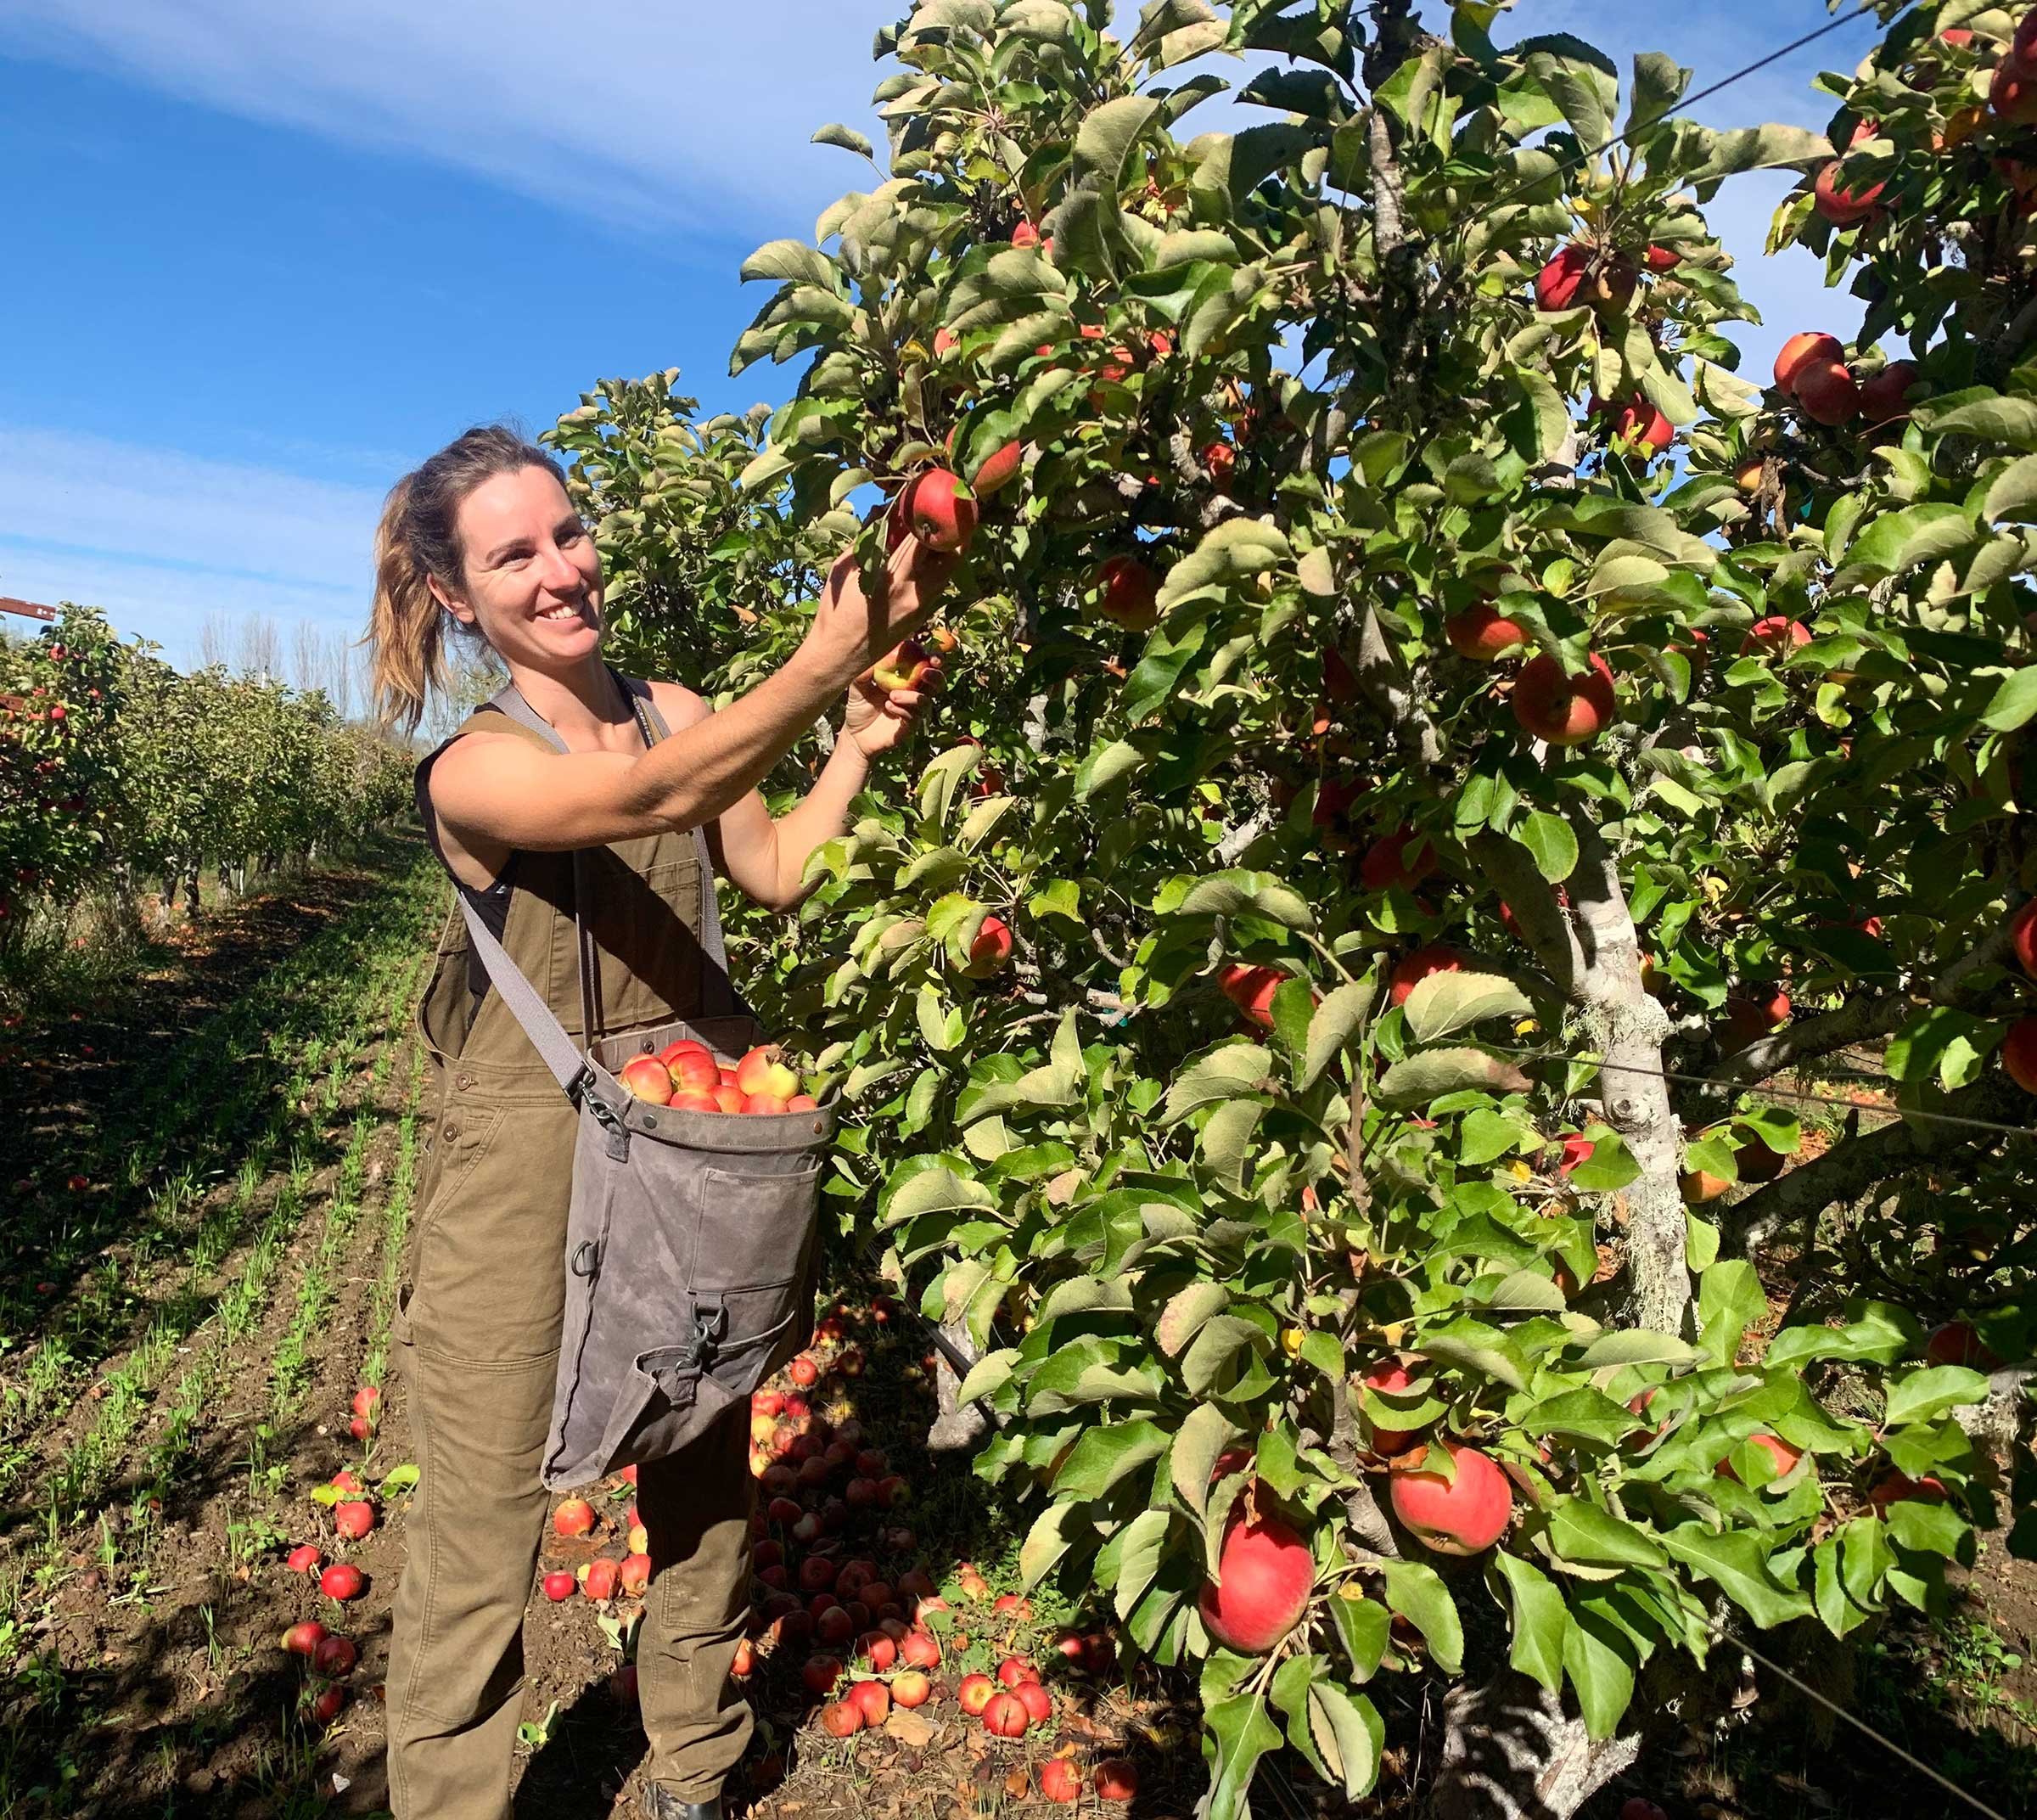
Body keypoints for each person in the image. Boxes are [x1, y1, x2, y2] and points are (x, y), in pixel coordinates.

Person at [364, 424, 952, 1820]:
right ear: (458, 597)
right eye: (514, 555)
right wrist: (820, 661)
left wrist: (853, 745)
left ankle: (696, 1763)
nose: (560, 570)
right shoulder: (476, 769)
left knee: (704, 1470)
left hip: (691, 1141)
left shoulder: (681, 708)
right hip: (528, 1161)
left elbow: (775, 871)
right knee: (484, 1508)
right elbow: (643, 800)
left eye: (567, 533)